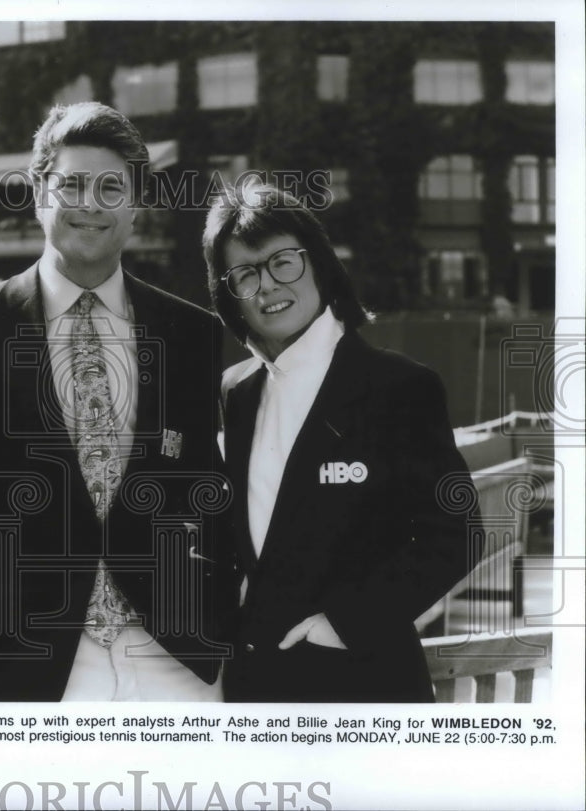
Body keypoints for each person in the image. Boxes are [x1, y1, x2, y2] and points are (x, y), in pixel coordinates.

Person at [0, 102, 235, 701]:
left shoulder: (193, 332)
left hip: (174, 656)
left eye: (110, 187)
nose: (90, 204)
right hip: (26, 661)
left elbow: (210, 490)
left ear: (135, 204)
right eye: (71, 184)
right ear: (38, 192)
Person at [205, 184, 481, 702]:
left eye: (283, 262)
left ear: (320, 263)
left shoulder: (399, 388)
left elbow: (457, 536)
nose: (267, 286)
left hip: (363, 683)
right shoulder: (235, 391)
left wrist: (340, 625)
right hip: (256, 690)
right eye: (245, 273)